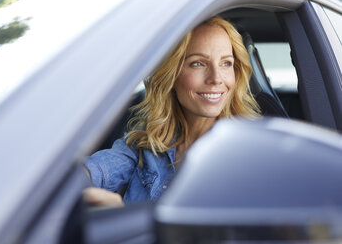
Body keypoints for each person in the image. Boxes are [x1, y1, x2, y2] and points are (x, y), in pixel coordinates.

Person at [83, 16, 260, 206]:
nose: (216, 79)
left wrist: (119, 218)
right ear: (171, 75)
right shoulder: (145, 144)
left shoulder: (250, 154)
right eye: (198, 63)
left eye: (226, 63)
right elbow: (91, 172)